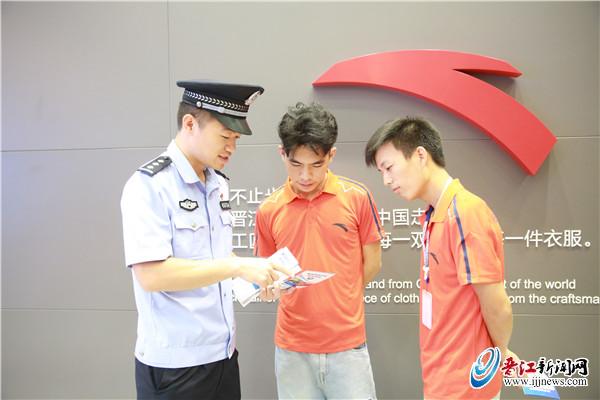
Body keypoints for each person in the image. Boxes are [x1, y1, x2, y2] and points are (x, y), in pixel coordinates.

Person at [120, 80, 291, 399]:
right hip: (176, 367)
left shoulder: (218, 184)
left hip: (223, 357)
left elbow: (213, 259)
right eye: (225, 137)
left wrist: (256, 275)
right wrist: (236, 267)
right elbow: (152, 275)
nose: (231, 148)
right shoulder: (150, 186)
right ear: (189, 124)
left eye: (236, 139)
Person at [364, 117, 514, 399]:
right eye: (382, 172)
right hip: (441, 377)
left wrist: (501, 354)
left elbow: (497, 305)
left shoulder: (465, 213)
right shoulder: (434, 215)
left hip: (467, 384)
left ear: (420, 155)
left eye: (389, 168)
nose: (386, 181)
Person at [254, 102, 384, 399]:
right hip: (292, 350)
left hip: (348, 347)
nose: (305, 176)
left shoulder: (357, 198)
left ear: (331, 155)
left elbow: (373, 263)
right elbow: (267, 273)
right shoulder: (268, 210)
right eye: (296, 164)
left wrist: (341, 293)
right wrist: (268, 288)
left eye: (316, 164)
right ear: (282, 154)